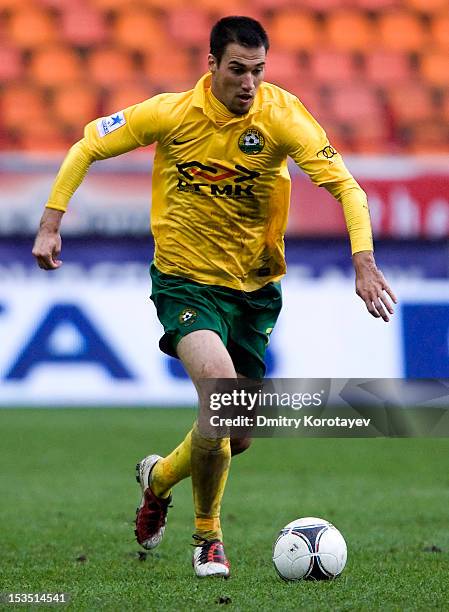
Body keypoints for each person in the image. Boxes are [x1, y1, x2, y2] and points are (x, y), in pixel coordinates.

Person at [32, 16, 397, 578]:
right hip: (185, 281)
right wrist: (51, 224)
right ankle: (208, 540)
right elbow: (87, 146)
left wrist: (363, 261)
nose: (249, 82)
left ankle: (156, 480)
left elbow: (346, 186)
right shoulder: (172, 113)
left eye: (258, 70)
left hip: (255, 290)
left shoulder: (282, 116)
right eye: (237, 70)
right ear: (212, 65)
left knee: (238, 435)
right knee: (223, 401)